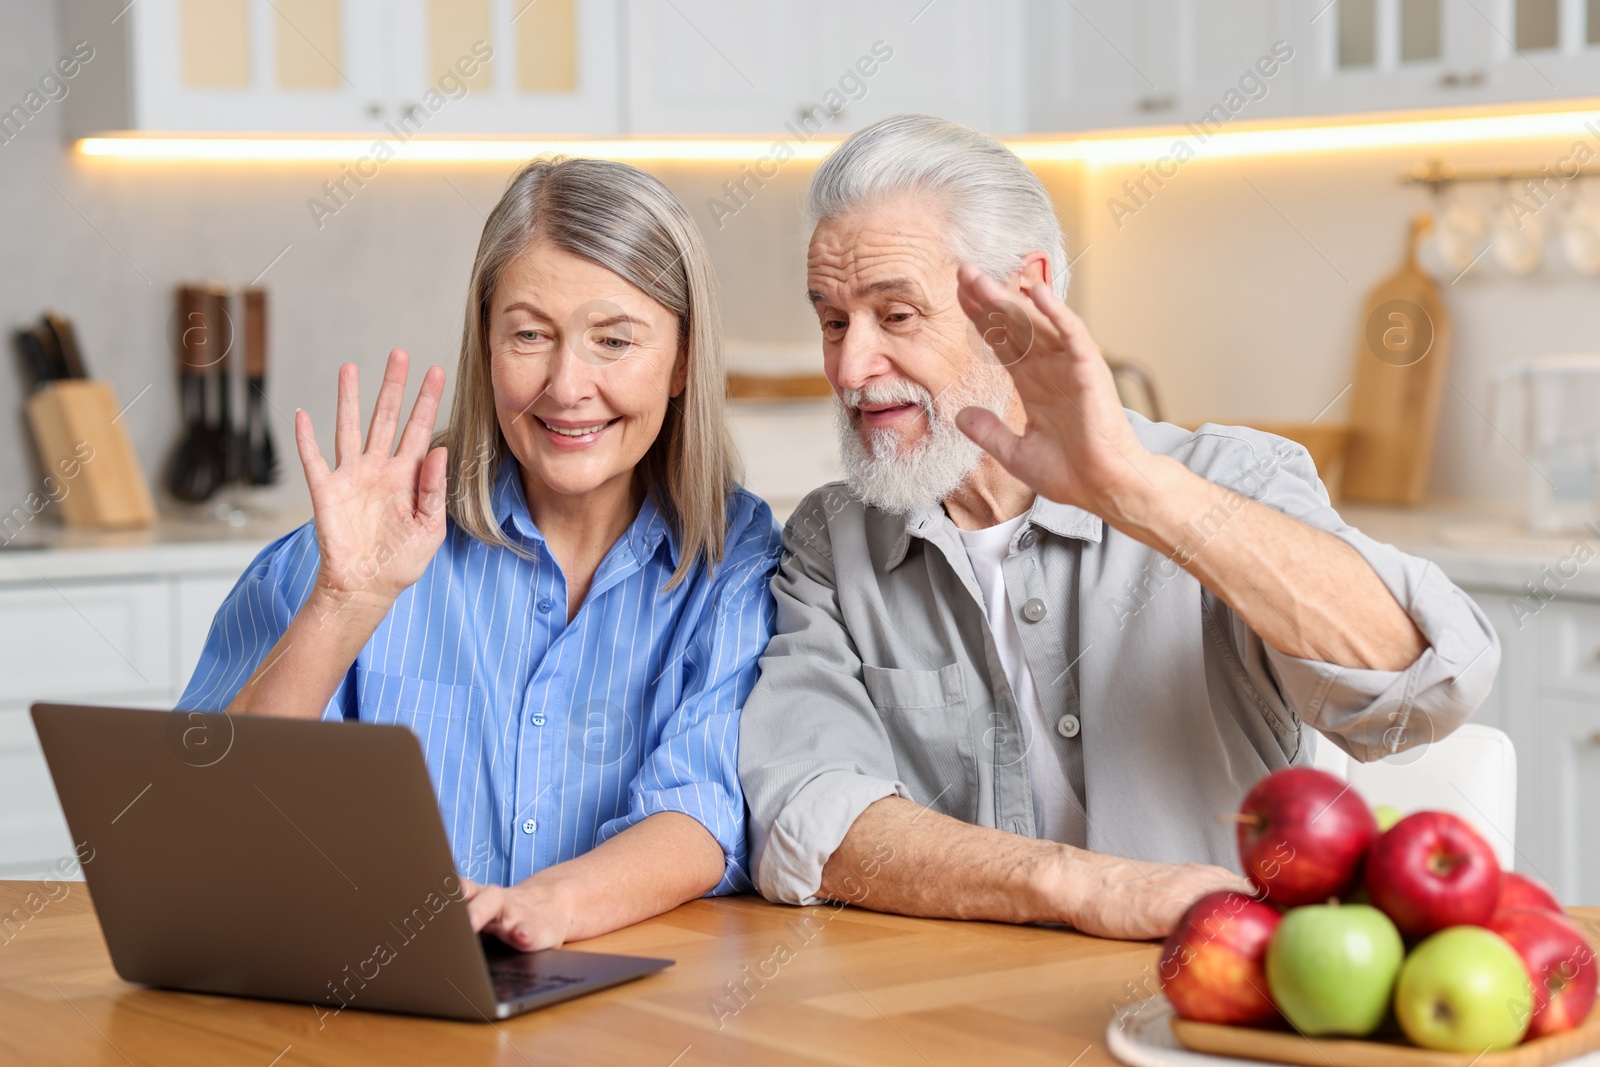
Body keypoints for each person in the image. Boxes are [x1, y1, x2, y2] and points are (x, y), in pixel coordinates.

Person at [738, 115, 1500, 940]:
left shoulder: (1227, 478)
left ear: (1016, 303)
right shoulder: (828, 540)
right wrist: (1076, 884)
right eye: (833, 321)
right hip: (944, 1013)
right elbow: (806, 813)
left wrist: (1134, 488)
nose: (850, 368)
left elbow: (1419, 689)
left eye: (896, 316)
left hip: (1205, 1007)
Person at [180, 157, 780, 950]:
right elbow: (211, 819)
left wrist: (545, 907)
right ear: (486, 343)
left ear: (681, 359)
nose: (567, 385)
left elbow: (701, 805)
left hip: (622, 1008)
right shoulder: (367, 543)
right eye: (529, 334)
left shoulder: (732, 555)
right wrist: (342, 604)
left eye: (613, 339)